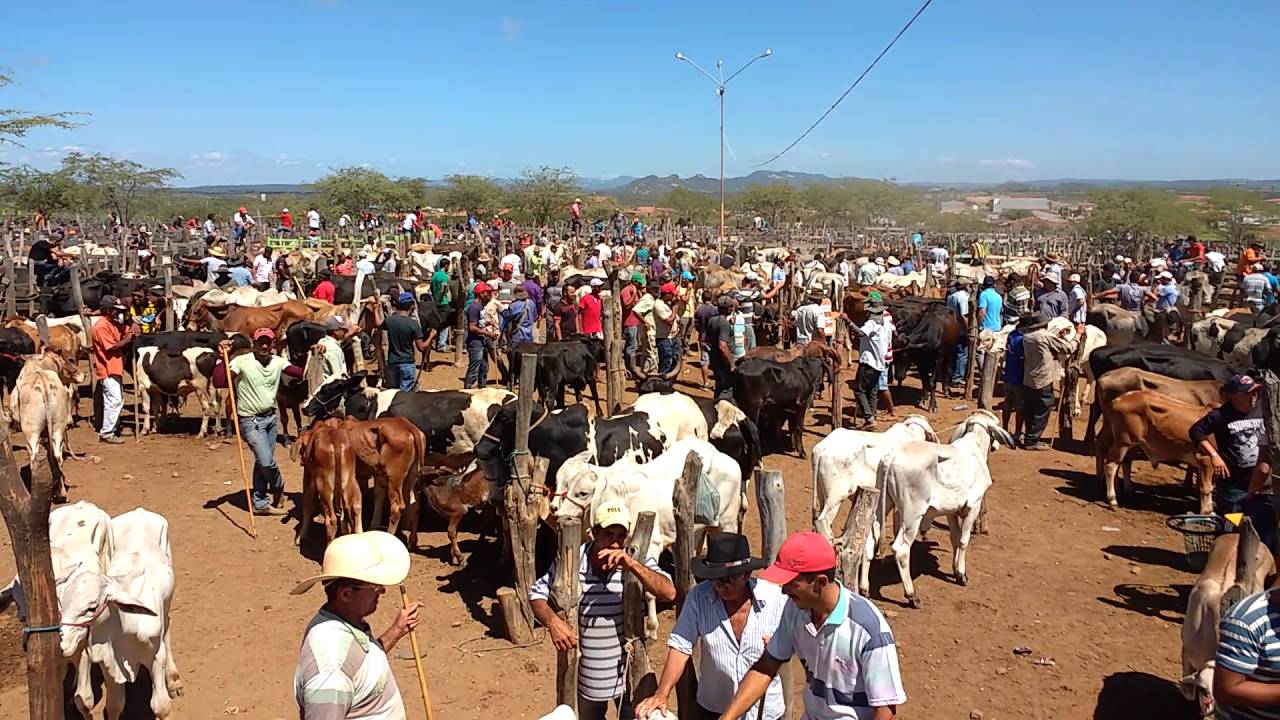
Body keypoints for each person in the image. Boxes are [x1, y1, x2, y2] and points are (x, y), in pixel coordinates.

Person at [715, 531, 906, 720]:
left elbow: (885, 711)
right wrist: (728, 717)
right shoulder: (795, 610)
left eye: (791, 584)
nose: (783, 591)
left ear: (819, 582)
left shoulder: (867, 630)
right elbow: (766, 666)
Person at [530, 503, 675, 720]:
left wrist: (633, 566)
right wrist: (552, 622)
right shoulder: (572, 559)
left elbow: (669, 592)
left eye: (621, 535)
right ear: (594, 533)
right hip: (588, 671)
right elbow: (536, 594)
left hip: (626, 669)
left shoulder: (635, 557)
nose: (615, 542)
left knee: (631, 713)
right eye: (608, 534)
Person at [637, 533, 785, 720]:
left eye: (726, 579)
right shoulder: (699, 597)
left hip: (764, 713)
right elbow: (681, 647)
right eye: (714, 578)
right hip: (714, 710)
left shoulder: (775, 599)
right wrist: (662, 692)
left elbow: (801, 640)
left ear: (746, 574)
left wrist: (780, 645)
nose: (718, 585)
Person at [291, 531, 424, 720]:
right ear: (346, 594)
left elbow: (360, 668)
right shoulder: (330, 669)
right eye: (375, 587)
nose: (383, 591)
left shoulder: (344, 622)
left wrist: (397, 630)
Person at [221, 328, 303, 514]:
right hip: (249, 420)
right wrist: (222, 357)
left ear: (273, 344)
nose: (264, 346)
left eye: (268, 342)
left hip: (270, 419)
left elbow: (299, 372)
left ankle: (259, 503)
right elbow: (220, 380)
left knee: (261, 461)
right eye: (261, 342)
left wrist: (317, 353)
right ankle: (278, 485)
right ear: (253, 343)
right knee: (266, 462)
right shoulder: (242, 361)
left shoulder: (278, 362)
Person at [1190, 374, 1274, 551]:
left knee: (1258, 523)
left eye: (1255, 393)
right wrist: (1214, 455)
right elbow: (1196, 431)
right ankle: (1221, 555)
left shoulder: (1263, 410)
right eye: (1247, 394)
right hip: (1233, 483)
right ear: (1233, 396)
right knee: (1230, 522)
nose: (1253, 397)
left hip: (1260, 481)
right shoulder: (1220, 415)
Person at [1019, 317, 1075, 450]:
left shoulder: (1027, 338)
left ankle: (1029, 436)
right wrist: (1077, 336)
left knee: (1030, 408)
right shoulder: (1045, 336)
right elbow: (1068, 348)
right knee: (1044, 407)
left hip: (1028, 378)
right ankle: (1032, 440)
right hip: (1043, 378)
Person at [93, 295, 136, 444]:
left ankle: (113, 427)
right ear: (109, 310)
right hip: (107, 367)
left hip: (115, 366)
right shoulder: (101, 326)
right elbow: (111, 347)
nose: (118, 313)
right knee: (115, 401)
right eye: (116, 310)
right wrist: (128, 339)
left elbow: (125, 330)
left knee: (115, 400)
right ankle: (107, 432)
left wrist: (131, 329)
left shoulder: (112, 323)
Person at [849, 295, 891, 430]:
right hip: (880, 361)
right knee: (872, 390)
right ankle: (872, 416)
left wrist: (848, 322)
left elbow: (861, 333)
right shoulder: (886, 322)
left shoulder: (872, 323)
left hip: (869, 361)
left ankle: (869, 418)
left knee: (859, 390)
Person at [385, 292, 428, 392]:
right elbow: (421, 347)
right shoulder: (413, 324)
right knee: (405, 395)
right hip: (407, 362)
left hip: (392, 362)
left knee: (392, 393)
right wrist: (431, 336)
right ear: (412, 306)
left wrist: (375, 310)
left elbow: (379, 324)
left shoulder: (390, 320)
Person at [1001, 314, 1032, 442]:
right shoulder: (1025, 339)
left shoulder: (1011, 335)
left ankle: (1004, 428)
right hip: (1019, 377)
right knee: (1020, 406)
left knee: (1007, 403)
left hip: (1008, 375)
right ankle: (1017, 432)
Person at [465, 282, 498, 388]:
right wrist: (488, 333)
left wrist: (488, 323)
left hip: (481, 342)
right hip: (475, 343)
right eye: (487, 292)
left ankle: (482, 389)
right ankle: (467, 390)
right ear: (481, 294)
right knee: (474, 369)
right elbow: (472, 327)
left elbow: (479, 323)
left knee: (484, 367)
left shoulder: (480, 306)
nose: (489, 295)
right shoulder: (474, 308)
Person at [707, 296, 737, 400]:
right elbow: (723, 346)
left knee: (719, 386)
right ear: (728, 309)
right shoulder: (723, 323)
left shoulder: (712, 320)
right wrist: (731, 364)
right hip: (723, 362)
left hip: (714, 359)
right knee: (726, 389)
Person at [313, 315, 358, 382]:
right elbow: (338, 376)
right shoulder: (334, 350)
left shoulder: (322, 341)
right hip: (334, 388)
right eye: (344, 330)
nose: (346, 331)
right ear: (336, 331)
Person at [946, 279, 971, 388]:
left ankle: (951, 373)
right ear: (965, 286)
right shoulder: (964, 297)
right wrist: (968, 329)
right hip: (961, 328)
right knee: (962, 353)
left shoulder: (951, 297)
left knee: (953, 352)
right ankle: (958, 377)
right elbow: (964, 315)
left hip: (951, 328)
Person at [654, 283, 680, 375]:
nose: (674, 296)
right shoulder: (658, 305)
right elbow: (669, 321)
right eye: (672, 294)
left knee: (674, 359)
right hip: (663, 337)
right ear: (667, 294)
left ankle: (669, 381)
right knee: (666, 361)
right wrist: (674, 308)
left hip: (672, 336)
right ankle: (662, 380)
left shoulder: (666, 304)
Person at [622, 272, 644, 364]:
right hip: (630, 323)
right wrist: (634, 294)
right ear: (635, 283)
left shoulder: (637, 292)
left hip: (637, 323)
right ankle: (630, 365)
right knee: (632, 346)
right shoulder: (626, 291)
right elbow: (626, 305)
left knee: (634, 345)